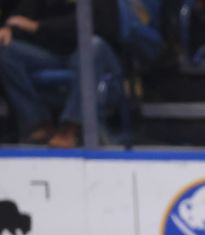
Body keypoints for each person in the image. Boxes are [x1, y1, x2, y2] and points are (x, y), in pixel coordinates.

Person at [0, 0, 123, 147]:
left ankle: (70, 127)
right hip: (52, 54)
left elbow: (100, 24)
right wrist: (9, 29)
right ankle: (38, 123)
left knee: (93, 46)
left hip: (91, 53)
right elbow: (21, 17)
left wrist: (38, 27)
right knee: (5, 51)